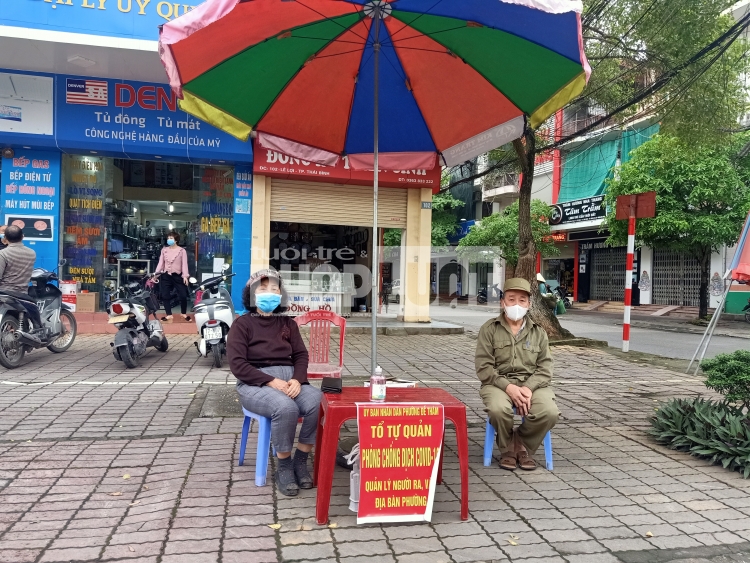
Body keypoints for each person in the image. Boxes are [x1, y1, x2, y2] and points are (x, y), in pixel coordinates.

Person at [227, 268, 322, 497]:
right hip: (255, 382)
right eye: (262, 288)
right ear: (251, 294)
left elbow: (300, 355)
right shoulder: (242, 325)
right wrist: (271, 381)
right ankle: (284, 465)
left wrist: (298, 379)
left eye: (274, 289)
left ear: (281, 295)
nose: (269, 293)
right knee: (285, 407)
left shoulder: (287, 324)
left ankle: (301, 459)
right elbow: (238, 365)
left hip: (290, 379)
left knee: (319, 402)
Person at [475, 277, 559, 471]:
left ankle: (518, 443)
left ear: (529, 304)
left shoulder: (539, 332)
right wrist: (509, 388)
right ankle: (508, 450)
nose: (516, 304)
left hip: (533, 385)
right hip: (497, 384)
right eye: (511, 299)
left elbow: (545, 368)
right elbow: (484, 367)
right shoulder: (489, 329)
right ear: (502, 302)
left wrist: (528, 388)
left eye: (522, 300)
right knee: (498, 410)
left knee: (549, 412)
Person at [0, 225, 42, 330]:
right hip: (22, 294)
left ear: (5, 238)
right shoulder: (32, 253)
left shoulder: (3, 254)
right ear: (22, 237)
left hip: (5, 292)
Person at [154, 231, 191, 322]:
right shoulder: (164, 250)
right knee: (165, 295)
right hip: (166, 275)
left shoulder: (182, 251)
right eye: (168, 238)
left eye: (171, 238)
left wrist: (185, 276)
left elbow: (184, 264)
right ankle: (169, 314)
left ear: (176, 240)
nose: (169, 240)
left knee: (183, 295)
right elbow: (161, 263)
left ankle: (183, 313)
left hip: (178, 276)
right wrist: (156, 274)